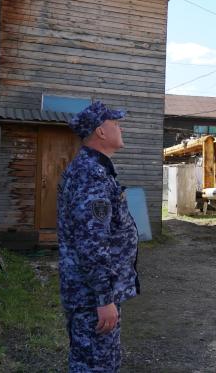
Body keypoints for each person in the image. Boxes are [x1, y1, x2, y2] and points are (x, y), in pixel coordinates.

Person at [58, 101, 139, 372]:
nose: (120, 127)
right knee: (96, 366)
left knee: (94, 362)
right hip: (91, 299)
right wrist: (104, 299)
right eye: (115, 123)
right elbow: (92, 243)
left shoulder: (93, 170)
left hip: (89, 294)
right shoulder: (91, 175)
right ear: (100, 132)